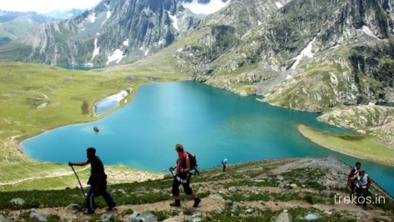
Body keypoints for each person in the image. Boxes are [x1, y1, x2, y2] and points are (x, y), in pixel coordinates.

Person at [69, 147, 116, 214]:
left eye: (87, 153)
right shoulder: (92, 158)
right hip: (97, 181)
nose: (86, 155)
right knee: (103, 192)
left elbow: (100, 175)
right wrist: (73, 164)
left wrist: (97, 186)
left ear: (91, 153)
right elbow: (84, 164)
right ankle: (112, 204)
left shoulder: (97, 161)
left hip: (98, 181)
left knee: (89, 196)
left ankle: (91, 210)